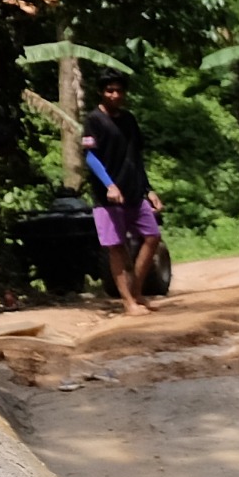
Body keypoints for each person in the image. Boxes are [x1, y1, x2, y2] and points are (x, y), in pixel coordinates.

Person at [81, 73, 160, 314]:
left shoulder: (129, 120)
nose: (115, 95)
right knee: (116, 246)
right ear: (101, 92)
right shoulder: (93, 120)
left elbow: (136, 157)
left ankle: (136, 291)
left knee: (152, 236)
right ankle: (128, 302)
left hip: (134, 191)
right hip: (108, 197)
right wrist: (109, 185)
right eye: (109, 90)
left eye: (119, 91)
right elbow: (90, 156)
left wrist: (149, 189)